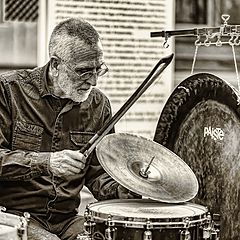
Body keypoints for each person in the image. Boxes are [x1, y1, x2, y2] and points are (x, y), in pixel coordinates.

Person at [0, 18, 139, 240]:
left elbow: (97, 174)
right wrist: (47, 162)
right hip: (13, 217)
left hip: (66, 219)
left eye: (98, 69)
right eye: (84, 71)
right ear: (55, 65)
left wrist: (133, 187)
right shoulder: (9, 91)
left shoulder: (98, 105)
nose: (93, 81)